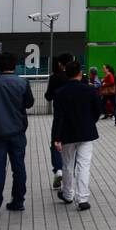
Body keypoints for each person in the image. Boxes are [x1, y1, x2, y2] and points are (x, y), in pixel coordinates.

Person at [0, 51, 34, 214]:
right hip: (17, 131)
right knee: (19, 167)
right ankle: (18, 201)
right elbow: (29, 103)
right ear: (15, 65)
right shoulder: (22, 83)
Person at [51, 60, 103, 212]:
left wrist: (56, 138)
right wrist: (90, 122)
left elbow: (58, 117)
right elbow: (98, 110)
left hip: (67, 134)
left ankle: (67, 194)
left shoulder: (60, 93)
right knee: (84, 165)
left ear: (67, 75)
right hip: (86, 133)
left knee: (67, 165)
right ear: (80, 74)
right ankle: (83, 199)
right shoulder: (90, 90)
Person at [44, 51, 73, 189]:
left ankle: (58, 169)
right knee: (73, 144)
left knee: (56, 141)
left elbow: (48, 97)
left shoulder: (55, 77)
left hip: (59, 115)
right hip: (75, 116)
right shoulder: (77, 76)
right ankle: (71, 172)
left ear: (60, 64)